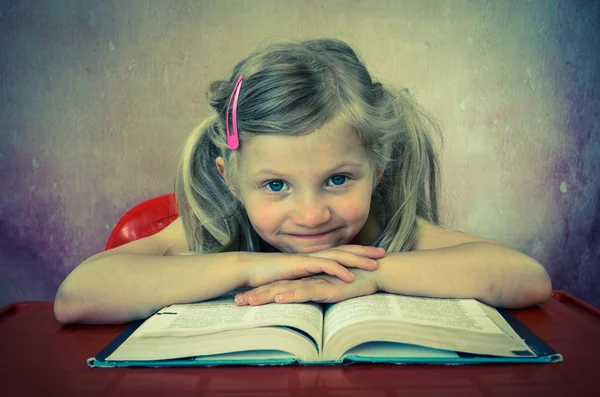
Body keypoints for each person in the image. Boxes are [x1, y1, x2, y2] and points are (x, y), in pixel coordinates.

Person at [54, 38, 552, 325]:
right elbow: (77, 297)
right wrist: (248, 267)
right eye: (275, 186)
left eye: (338, 179)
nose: (312, 214)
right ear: (230, 181)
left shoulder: (386, 235)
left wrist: (375, 274)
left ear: (376, 171)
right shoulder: (217, 227)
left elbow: (529, 278)